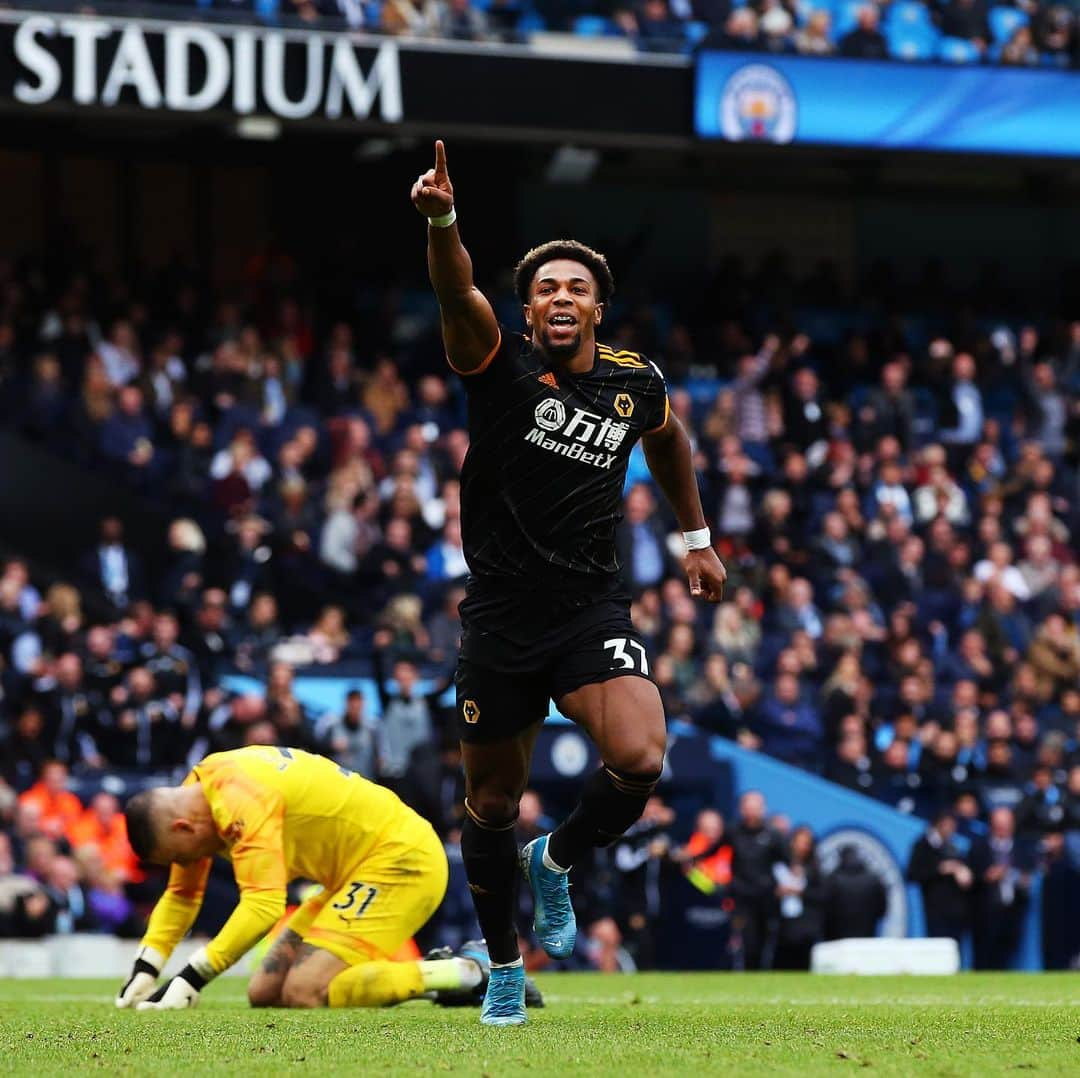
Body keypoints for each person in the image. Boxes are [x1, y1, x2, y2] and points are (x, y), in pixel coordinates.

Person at [411, 141, 726, 1024]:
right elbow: (454, 292)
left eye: (574, 287)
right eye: (545, 287)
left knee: (640, 756)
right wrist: (443, 221)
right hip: (502, 620)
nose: (559, 296)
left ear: (598, 306)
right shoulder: (498, 364)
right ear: (528, 307)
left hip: (589, 606)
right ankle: (504, 967)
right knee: (490, 803)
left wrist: (695, 536)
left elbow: (666, 439)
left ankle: (557, 859)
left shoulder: (635, 383)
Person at [114, 746, 492, 1012]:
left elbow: (264, 904)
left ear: (183, 828)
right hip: (348, 876)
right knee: (264, 992)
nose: (188, 862)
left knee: (304, 990)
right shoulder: (197, 793)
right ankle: (439, 982)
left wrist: (190, 978)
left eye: (180, 855)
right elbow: (182, 894)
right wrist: (145, 969)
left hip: (402, 860)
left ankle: (470, 971)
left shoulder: (242, 800)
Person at [968, 806, 1034, 969]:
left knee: (1009, 955)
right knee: (984, 956)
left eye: (1006, 824)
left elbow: (1030, 872)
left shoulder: (1022, 848)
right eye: (999, 824)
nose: (1003, 828)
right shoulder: (978, 847)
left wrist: (1021, 878)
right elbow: (971, 877)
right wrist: (986, 876)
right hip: (985, 912)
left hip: (1013, 910)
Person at [729, 790, 786, 970]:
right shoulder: (733, 832)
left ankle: (765, 973)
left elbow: (788, 863)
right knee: (748, 941)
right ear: (741, 809)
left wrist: (787, 884)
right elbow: (713, 854)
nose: (752, 812)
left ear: (763, 809)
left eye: (756, 807)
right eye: (748, 807)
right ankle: (747, 973)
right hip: (742, 897)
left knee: (766, 940)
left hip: (767, 897)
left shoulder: (773, 835)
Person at [906, 811, 973, 944]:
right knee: (937, 945)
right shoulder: (922, 845)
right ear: (938, 825)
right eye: (949, 826)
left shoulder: (953, 848)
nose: (952, 831)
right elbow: (912, 874)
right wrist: (940, 869)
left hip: (955, 910)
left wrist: (963, 872)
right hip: (934, 908)